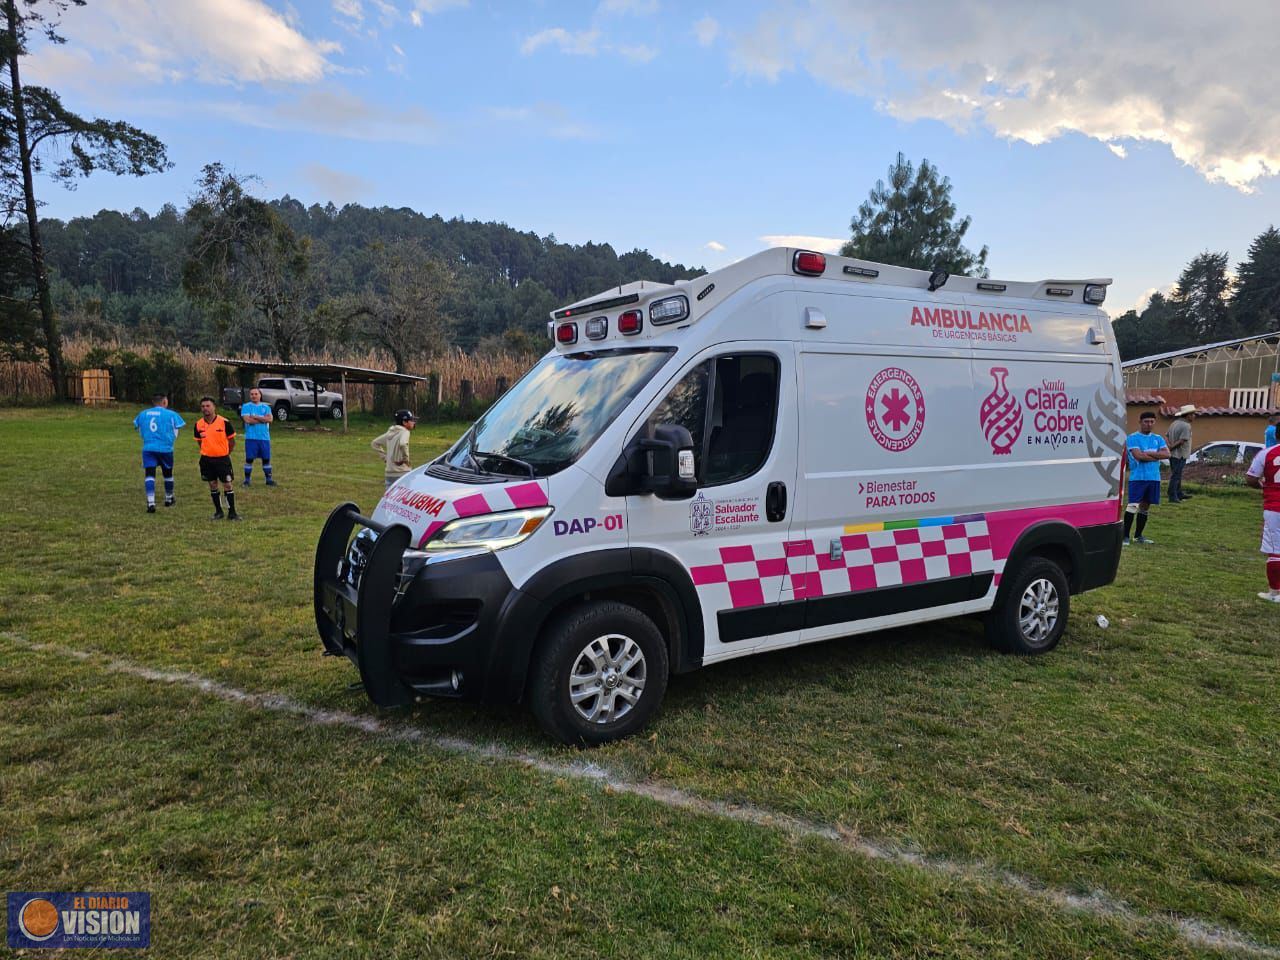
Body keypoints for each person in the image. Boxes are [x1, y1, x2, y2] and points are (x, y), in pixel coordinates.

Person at [132, 392, 185, 513]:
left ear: (153, 402)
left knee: (149, 474)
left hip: (148, 448)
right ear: (165, 402)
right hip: (166, 449)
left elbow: (139, 429)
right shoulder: (171, 414)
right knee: (168, 474)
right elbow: (176, 430)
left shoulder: (143, 414)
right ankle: (168, 498)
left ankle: (151, 503)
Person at [1123, 410, 1169, 545]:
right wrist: (1155, 454)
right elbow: (1139, 456)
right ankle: (1125, 536)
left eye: (1151, 422)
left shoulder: (1158, 438)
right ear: (1140, 422)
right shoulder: (1133, 438)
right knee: (1132, 505)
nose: (1149, 424)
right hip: (1138, 477)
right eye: (1146, 422)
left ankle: (1138, 536)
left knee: (1145, 506)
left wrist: (1148, 453)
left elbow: (1167, 454)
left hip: (1154, 477)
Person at [193, 396, 241, 520]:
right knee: (213, 485)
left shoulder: (224, 422)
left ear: (214, 407)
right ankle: (218, 512)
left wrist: (225, 453)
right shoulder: (198, 424)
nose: (205, 409)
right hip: (206, 460)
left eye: (208, 406)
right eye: (203, 406)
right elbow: (200, 442)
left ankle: (232, 513)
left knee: (228, 485)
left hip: (222, 459)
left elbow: (231, 441)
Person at [1246, 441, 1280, 602]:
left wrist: (1265, 487)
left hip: (1275, 506)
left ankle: (1275, 593)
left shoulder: (1266, 453)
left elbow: (1251, 478)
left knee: (1275, 550)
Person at [371, 408, 417, 488]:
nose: (413, 422)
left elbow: (374, 443)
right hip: (402, 472)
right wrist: (406, 460)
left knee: (390, 497)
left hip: (389, 473)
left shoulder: (390, 432)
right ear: (404, 422)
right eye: (411, 420)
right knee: (404, 498)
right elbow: (403, 443)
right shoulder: (405, 432)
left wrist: (385, 458)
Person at [239, 387, 275, 487]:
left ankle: (269, 480)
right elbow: (248, 420)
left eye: (256, 394)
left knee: (266, 459)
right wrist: (263, 419)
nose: (254, 396)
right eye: (252, 394)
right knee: (249, 459)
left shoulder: (266, 407)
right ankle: (247, 481)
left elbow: (270, 419)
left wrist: (255, 417)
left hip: (264, 438)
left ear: (260, 395)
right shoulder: (246, 406)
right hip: (251, 438)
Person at [1166, 404, 1196, 503]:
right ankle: (1172, 496)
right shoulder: (1186, 426)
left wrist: (1169, 447)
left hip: (1172, 454)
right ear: (1187, 415)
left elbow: (1166, 436)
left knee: (1177, 474)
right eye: (1193, 414)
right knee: (1176, 475)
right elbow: (1182, 441)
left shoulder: (1174, 423)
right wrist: (1172, 447)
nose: (1194, 416)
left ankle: (1179, 493)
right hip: (1180, 454)